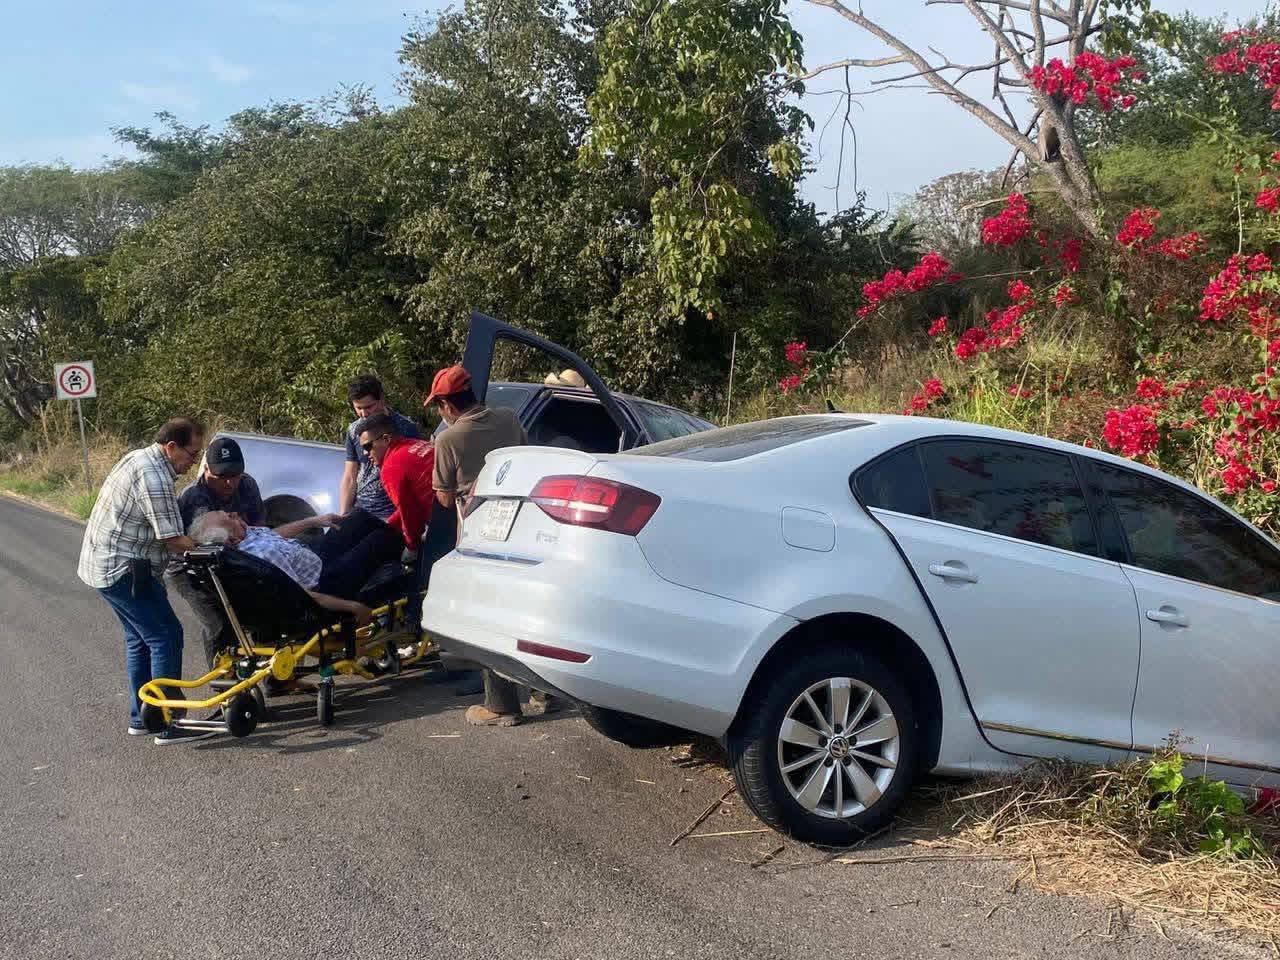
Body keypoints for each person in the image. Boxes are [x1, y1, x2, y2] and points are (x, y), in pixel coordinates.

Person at [427, 364, 560, 725]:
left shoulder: (448, 440)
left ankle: (501, 706)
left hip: (481, 532)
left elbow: (443, 498)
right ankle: (546, 691)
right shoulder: (508, 419)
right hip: (525, 525)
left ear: (447, 405)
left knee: (487, 615)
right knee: (524, 609)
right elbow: (529, 459)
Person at [78, 417, 217, 745]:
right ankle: (168, 723)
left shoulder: (139, 458)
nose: (193, 462)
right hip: (125, 571)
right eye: (192, 454)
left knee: (140, 639)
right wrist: (211, 542)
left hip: (104, 566)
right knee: (166, 635)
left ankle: (142, 718)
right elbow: (173, 539)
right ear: (171, 447)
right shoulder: (154, 476)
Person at [165, 437, 265, 667]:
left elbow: (259, 529)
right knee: (219, 623)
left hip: (234, 560)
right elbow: (207, 547)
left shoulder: (247, 485)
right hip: (189, 567)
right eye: (222, 477)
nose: (229, 483)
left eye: (235, 475)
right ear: (206, 470)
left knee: (262, 608)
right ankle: (223, 682)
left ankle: (271, 675)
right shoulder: (194, 497)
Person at [188, 511, 374, 625]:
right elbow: (302, 595)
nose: (235, 513)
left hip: (315, 560)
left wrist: (314, 521)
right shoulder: (262, 556)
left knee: (358, 517)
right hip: (325, 582)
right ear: (232, 540)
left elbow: (273, 535)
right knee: (378, 540)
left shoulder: (247, 535)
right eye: (230, 517)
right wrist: (352, 606)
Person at [339, 375, 420, 520]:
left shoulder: (406, 428)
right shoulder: (353, 430)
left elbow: (415, 478)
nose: (364, 414)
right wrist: (344, 515)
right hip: (360, 510)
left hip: (392, 513)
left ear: (381, 399)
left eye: (369, 407)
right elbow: (350, 476)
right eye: (358, 408)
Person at [357, 413, 435, 554]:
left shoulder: (391, 468)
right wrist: (390, 524)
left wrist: (411, 547)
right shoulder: (417, 443)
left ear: (386, 439)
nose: (365, 453)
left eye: (368, 446)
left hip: (445, 518)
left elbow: (409, 514)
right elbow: (409, 503)